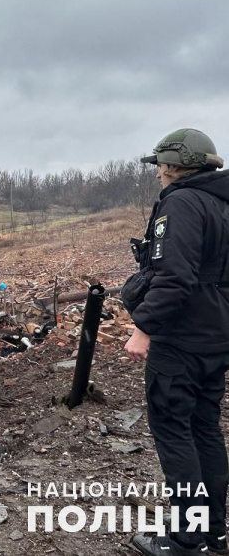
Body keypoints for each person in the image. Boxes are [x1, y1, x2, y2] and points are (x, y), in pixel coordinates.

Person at [124, 129, 229, 556]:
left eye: (160, 166)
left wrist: (142, 328)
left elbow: (175, 277)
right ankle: (213, 533)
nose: (158, 175)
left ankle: (185, 539)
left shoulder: (183, 202)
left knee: (174, 431)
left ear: (173, 166)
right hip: (215, 336)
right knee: (204, 428)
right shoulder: (222, 203)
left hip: (181, 339)